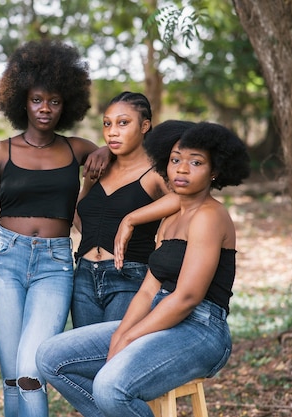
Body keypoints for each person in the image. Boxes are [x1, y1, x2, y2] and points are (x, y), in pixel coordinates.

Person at [37, 120, 250, 417]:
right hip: (160, 316)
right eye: (175, 160)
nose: (182, 169)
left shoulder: (210, 216)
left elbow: (187, 297)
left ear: (215, 171)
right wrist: (121, 334)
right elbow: (149, 289)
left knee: (110, 386)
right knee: (51, 357)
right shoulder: (169, 219)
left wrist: (129, 337)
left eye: (196, 162)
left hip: (201, 329)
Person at [0, 39, 110, 417]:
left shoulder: (76, 149)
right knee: (14, 372)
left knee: (33, 370)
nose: (45, 108)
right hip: (3, 262)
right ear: (22, 101)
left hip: (54, 264)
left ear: (67, 104)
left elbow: (118, 150)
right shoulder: (0, 152)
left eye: (54, 100)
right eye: (37, 100)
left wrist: (105, 151)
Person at [71, 92, 177, 328]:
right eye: (107, 123)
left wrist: (131, 219)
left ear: (144, 126)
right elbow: (82, 208)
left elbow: (183, 200)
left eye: (123, 123)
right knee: (86, 358)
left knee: (114, 356)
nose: (112, 131)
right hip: (84, 276)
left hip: (128, 276)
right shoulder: (99, 167)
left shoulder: (156, 172)